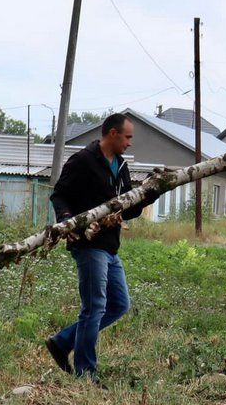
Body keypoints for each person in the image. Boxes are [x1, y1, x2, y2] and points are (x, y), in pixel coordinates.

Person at [45, 113, 160, 383]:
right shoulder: (83, 161)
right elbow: (59, 194)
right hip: (88, 244)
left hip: (110, 246)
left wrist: (150, 194)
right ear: (112, 134)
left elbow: (127, 210)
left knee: (119, 304)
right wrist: (66, 221)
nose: (130, 143)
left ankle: (62, 343)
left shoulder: (121, 167)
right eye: (128, 137)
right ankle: (86, 373)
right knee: (94, 306)